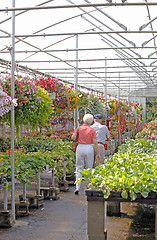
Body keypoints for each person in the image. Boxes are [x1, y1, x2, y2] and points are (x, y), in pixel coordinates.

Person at [71, 113, 101, 194]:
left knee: (79, 167)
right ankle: (88, 186)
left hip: (80, 147)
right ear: (91, 121)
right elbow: (95, 142)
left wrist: (76, 134)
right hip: (89, 148)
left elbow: (73, 137)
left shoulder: (79, 128)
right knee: (89, 167)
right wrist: (98, 153)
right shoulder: (92, 130)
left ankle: (77, 186)